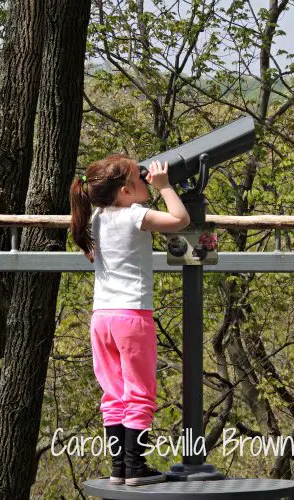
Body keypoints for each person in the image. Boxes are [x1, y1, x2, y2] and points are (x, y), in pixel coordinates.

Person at [69, 154, 190, 486]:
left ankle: (119, 467)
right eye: (141, 177)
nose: (148, 178)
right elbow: (180, 219)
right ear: (125, 191)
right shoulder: (135, 215)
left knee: (114, 394)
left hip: (102, 318)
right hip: (132, 316)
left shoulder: (93, 217)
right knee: (139, 392)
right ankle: (136, 468)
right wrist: (165, 187)